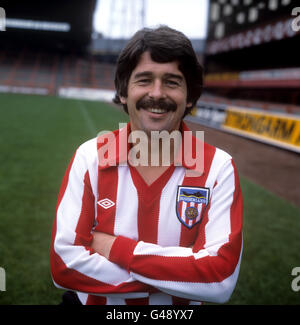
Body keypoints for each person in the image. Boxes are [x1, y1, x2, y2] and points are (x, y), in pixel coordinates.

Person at [50, 26, 243, 305]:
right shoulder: (89, 157)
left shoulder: (218, 169)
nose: (156, 93)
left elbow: (218, 278)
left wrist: (113, 247)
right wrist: (179, 278)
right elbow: (63, 265)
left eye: (172, 82)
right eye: (143, 80)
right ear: (124, 92)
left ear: (189, 97)